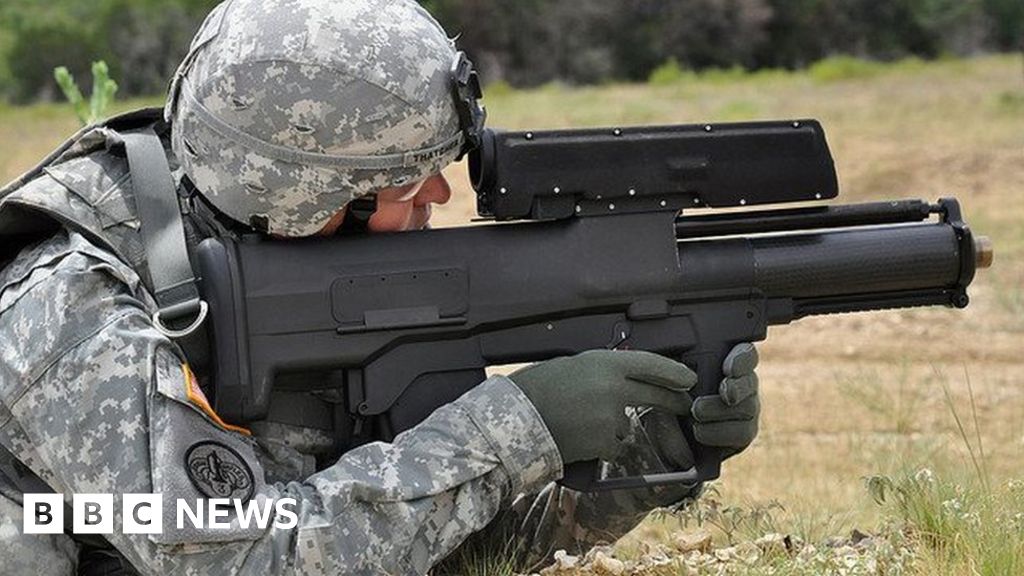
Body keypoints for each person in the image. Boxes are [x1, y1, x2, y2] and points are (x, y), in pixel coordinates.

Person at [0, 0, 760, 574]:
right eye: (406, 177)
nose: (438, 194)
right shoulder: (70, 310)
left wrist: (636, 466)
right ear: (305, 194)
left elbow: (415, 546)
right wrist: (517, 425)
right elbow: (239, 559)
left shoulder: (252, 245)